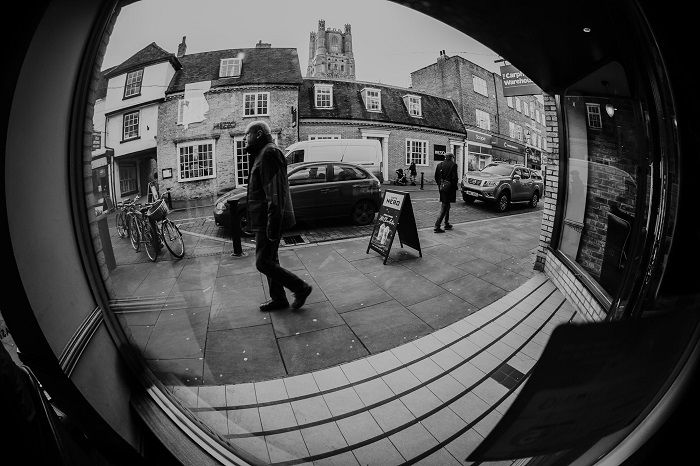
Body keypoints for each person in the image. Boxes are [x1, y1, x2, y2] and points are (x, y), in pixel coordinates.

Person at [244, 121, 312, 311]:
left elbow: (275, 194)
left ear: (258, 134)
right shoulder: (262, 154)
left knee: (263, 262)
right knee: (270, 260)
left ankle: (301, 287)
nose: (244, 139)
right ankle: (279, 299)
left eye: (246, 134)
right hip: (263, 220)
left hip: (268, 220)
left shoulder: (269, 153)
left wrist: (273, 226)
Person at [434, 152, 458, 233]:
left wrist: (441, 185)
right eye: (453, 157)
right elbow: (455, 178)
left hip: (442, 188)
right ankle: (437, 226)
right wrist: (455, 188)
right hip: (449, 189)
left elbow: (436, 177)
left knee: (447, 205)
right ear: (451, 157)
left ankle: (446, 224)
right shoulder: (453, 165)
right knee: (444, 207)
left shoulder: (439, 165)